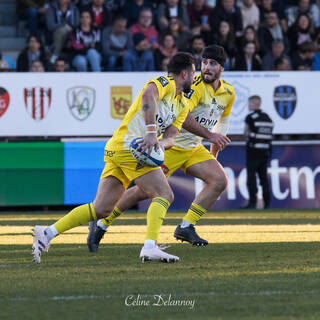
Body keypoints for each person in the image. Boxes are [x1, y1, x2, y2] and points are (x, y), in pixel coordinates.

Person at [32, 52, 196, 264]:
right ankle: (150, 246)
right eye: (194, 72)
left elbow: (172, 137)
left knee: (101, 208)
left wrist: (158, 145)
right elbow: (148, 96)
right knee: (164, 194)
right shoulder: (165, 82)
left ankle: (47, 233)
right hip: (129, 147)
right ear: (185, 73)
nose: (195, 76)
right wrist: (151, 132)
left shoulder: (183, 104)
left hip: (119, 148)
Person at [87, 45, 234, 252]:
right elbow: (185, 119)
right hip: (171, 147)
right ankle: (102, 223)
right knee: (142, 192)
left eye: (212, 64)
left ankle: (186, 226)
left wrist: (214, 149)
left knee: (219, 180)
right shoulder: (195, 86)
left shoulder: (228, 92)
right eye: (204, 63)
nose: (206, 68)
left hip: (194, 148)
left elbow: (223, 122)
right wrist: (210, 135)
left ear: (222, 68)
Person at [242, 95, 273, 209]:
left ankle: (252, 203)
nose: (249, 106)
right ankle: (267, 204)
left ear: (254, 104)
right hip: (265, 152)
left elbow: (246, 132)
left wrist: (251, 135)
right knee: (263, 179)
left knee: (251, 178)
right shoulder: (268, 118)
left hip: (253, 151)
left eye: (250, 103)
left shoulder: (250, 117)